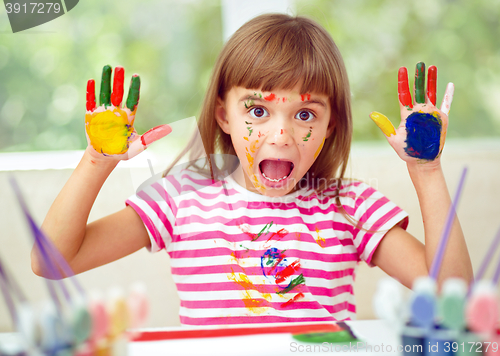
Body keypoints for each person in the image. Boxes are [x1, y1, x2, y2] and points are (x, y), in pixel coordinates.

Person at [32, 13, 472, 326]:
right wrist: (96, 161)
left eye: (304, 115)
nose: (280, 135)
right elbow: (51, 261)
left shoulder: (349, 207)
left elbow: (454, 294)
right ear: (224, 114)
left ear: (329, 124)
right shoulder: (180, 199)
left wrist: (427, 171)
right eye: (257, 110)